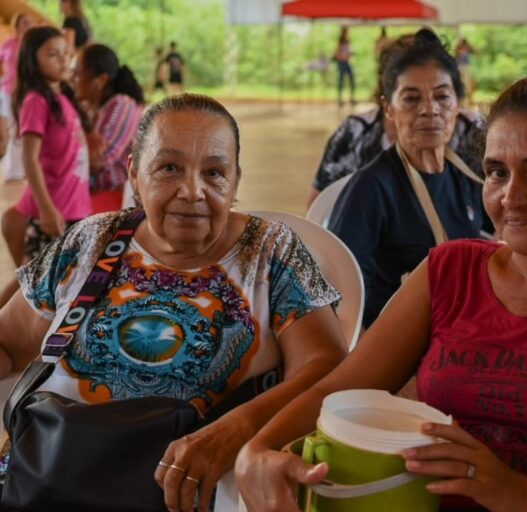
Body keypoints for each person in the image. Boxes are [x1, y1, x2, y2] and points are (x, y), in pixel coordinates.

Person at [234, 74, 527, 512]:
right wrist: (257, 449)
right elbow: (341, 387)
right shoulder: (450, 271)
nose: (512, 197)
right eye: (497, 172)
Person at [0, 93, 347, 512]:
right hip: (45, 477)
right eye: (168, 168)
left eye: (215, 172)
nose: (192, 191)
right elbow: (8, 341)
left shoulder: (272, 252)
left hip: (183, 492)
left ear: (236, 181)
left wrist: (239, 430)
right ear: (133, 173)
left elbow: (327, 366)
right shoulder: (92, 239)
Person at [328, 29, 486, 328]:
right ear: (388, 108)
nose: (430, 109)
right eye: (411, 99)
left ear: (458, 103)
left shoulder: (468, 176)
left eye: (442, 96)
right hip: (399, 338)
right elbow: (334, 286)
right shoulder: (371, 188)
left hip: (461, 323)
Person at [0, 26, 90, 270]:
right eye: (52, 54)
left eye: (64, 52)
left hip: (75, 206)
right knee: (38, 289)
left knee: (66, 285)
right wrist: (46, 209)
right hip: (53, 209)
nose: (63, 59)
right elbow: (29, 157)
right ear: (32, 61)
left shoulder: (62, 98)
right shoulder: (35, 101)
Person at [72, 43, 144, 213]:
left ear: (101, 80)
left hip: (119, 194)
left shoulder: (121, 105)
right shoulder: (92, 108)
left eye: (78, 74)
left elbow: (98, 160)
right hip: (97, 190)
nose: (72, 80)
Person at [0, 12, 36, 181]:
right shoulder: (8, 44)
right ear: (17, 25)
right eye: (24, 22)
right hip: (8, 91)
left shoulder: (32, 47)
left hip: (27, 92)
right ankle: (12, 170)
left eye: (30, 22)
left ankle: (22, 169)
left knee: (24, 130)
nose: (27, 25)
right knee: (13, 129)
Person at [333, 27, 354, 106]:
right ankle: (340, 100)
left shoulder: (347, 42)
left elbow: (348, 52)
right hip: (342, 63)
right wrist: (341, 57)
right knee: (341, 81)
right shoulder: (340, 43)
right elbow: (336, 54)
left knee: (352, 80)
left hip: (347, 62)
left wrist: (350, 55)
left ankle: (352, 98)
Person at [455, 37, 475, 106]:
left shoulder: (467, 49)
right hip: (460, 68)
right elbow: (456, 56)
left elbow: (475, 51)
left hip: (465, 68)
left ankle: (467, 101)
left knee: (467, 86)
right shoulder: (458, 49)